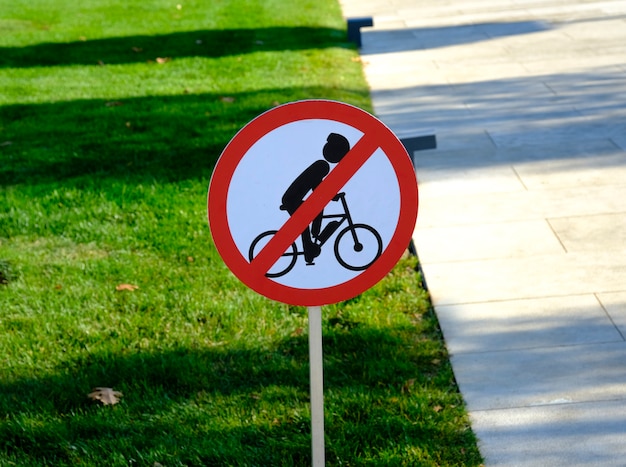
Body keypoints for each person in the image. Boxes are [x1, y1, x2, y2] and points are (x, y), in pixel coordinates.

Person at [280, 133, 350, 265]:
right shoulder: (322, 166)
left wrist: (331, 196)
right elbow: (318, 188)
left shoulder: (321, 165)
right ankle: (308, 253)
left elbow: (317, 188)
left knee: (316, 209)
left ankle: (312, 242)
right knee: (304, 223)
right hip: (291, 199)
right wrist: (332, 196)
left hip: (293, 198)